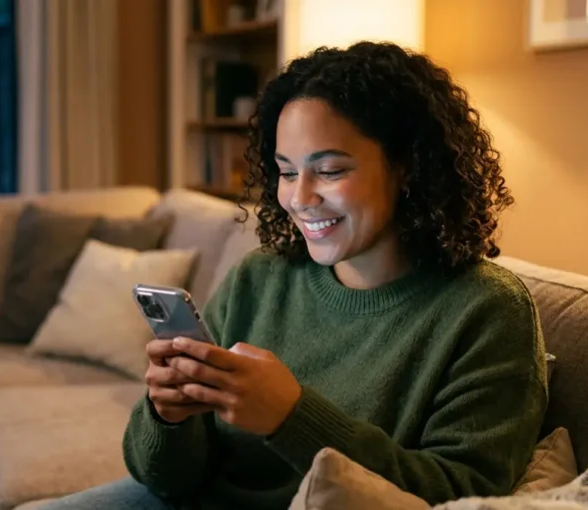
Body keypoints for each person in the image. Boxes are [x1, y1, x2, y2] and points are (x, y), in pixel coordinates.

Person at [40, 41, 548, 510]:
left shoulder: (487, 310)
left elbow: (463, 495)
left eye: (329, 171)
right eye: (286, 171)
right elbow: (164, 479)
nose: (299, 198)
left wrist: (292, 418)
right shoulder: (259, 278)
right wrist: (167, 415)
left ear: (408, 167)